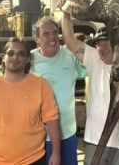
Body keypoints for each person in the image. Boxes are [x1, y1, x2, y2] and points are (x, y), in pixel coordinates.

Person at [0, 38, 61, 165]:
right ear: (3, 58)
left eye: (21, 54)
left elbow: (52, 121)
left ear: (27, 60)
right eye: (10, 53)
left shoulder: (41, 85)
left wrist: (56, 153)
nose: (15, 57)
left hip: (33, 160)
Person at [59, 11, 119, 164]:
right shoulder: (94, 58)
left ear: (117, 43)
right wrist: (66, 15)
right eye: (98, 43)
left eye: (107, 42)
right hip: (94, 140)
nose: (102, 47)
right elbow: (69, 40)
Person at [30, 17, 87, 165]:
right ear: (36, 39)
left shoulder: (70, 55)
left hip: (68, 133)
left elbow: (93, 68)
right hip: (40, 136)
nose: (52, 37)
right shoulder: (29, 60)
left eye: (55, 32)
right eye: (46, 33)